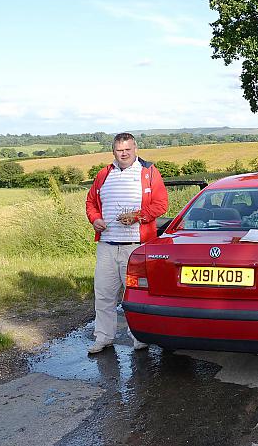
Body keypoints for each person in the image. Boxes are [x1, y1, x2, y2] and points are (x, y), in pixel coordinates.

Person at [85, 132, 168, 353]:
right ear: (113, 151)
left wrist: (137, 216)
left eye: (127, 150)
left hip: (136, 247)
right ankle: (103, 338)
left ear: (135, 149)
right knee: (103, 295)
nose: (124, 154)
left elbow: (161, 205)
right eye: (120, 150)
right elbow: (91, 202)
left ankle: (138, 337)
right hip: (107, 245)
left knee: (135, 296)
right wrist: (95, 220)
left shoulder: (149, 172)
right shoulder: (104, 174)